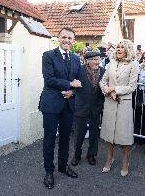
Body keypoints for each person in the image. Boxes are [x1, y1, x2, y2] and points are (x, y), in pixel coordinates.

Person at [39, 27, 82, 189]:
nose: (67, 40)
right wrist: (70, 84)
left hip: (68, 104)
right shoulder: (48, 56)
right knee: (49, 139)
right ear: (58, 38)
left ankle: (63, 166)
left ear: (73, 41)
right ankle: (49, 171)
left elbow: (78, 81)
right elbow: (49, 79)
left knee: (65, 138)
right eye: (64, 37)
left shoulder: (76, 59)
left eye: (70, 38)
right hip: (51, 104)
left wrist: (72, 91)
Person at [100, 39, 139, 177]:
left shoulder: (133, 64)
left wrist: (114, 89)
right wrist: (107, 91)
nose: (119, 49)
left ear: (128, 49)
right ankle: (109, 158)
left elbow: (132, 86)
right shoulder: (111, 62)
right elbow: (103, 81)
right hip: (110, 101)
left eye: (122, 47)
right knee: (109, 132)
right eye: (118, 46)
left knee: (125, 134)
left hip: (124, 102)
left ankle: (125, 160)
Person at [70, 51, 105, 167]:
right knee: (79, 133)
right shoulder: (79, 70)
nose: (97, 62)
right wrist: (72, 91)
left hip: (96, 107)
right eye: (94, 59)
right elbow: (72, 84)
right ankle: (77, 155)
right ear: (87, 61)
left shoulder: (103, 71)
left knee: (94, 133)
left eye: (97, 59)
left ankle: (91, 155)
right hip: (81, 106)